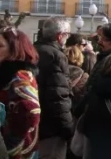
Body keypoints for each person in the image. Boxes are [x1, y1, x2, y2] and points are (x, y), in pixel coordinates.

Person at [0, 27, 41, 159]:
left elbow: (31, 111)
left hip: (16, 153)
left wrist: (10, 145)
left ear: (15, 50)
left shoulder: (21, 75)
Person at [34, 17, 74, 159]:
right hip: (51, 127)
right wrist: (67, 126)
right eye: (67, 34)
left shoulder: (34, 49)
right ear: (59, 36)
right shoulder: (56, 56)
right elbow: (59, 95)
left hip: (35, 122)